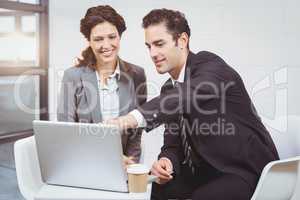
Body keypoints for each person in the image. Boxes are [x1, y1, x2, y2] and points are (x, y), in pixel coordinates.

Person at [105, 8, 279, 199]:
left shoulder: (210, 66)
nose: (153, 53)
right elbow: (174, 143)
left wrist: (130, 119)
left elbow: (184, 96)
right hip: (206, 172)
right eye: (149, 46)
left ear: (182, 41)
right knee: (160, 187)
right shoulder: (169, 90)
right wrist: (166, 161)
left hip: (246, 171)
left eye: (159, 44)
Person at [57, 5, 147, 164]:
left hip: (125, 165)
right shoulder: (72, 76)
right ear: (89, 41)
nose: (106, 45)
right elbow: (66, 134)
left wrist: (131, 164)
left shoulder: (137, 75)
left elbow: (136, 130)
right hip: (83, 162)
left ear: (119, 36)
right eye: (98, 39)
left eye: (112, 37)